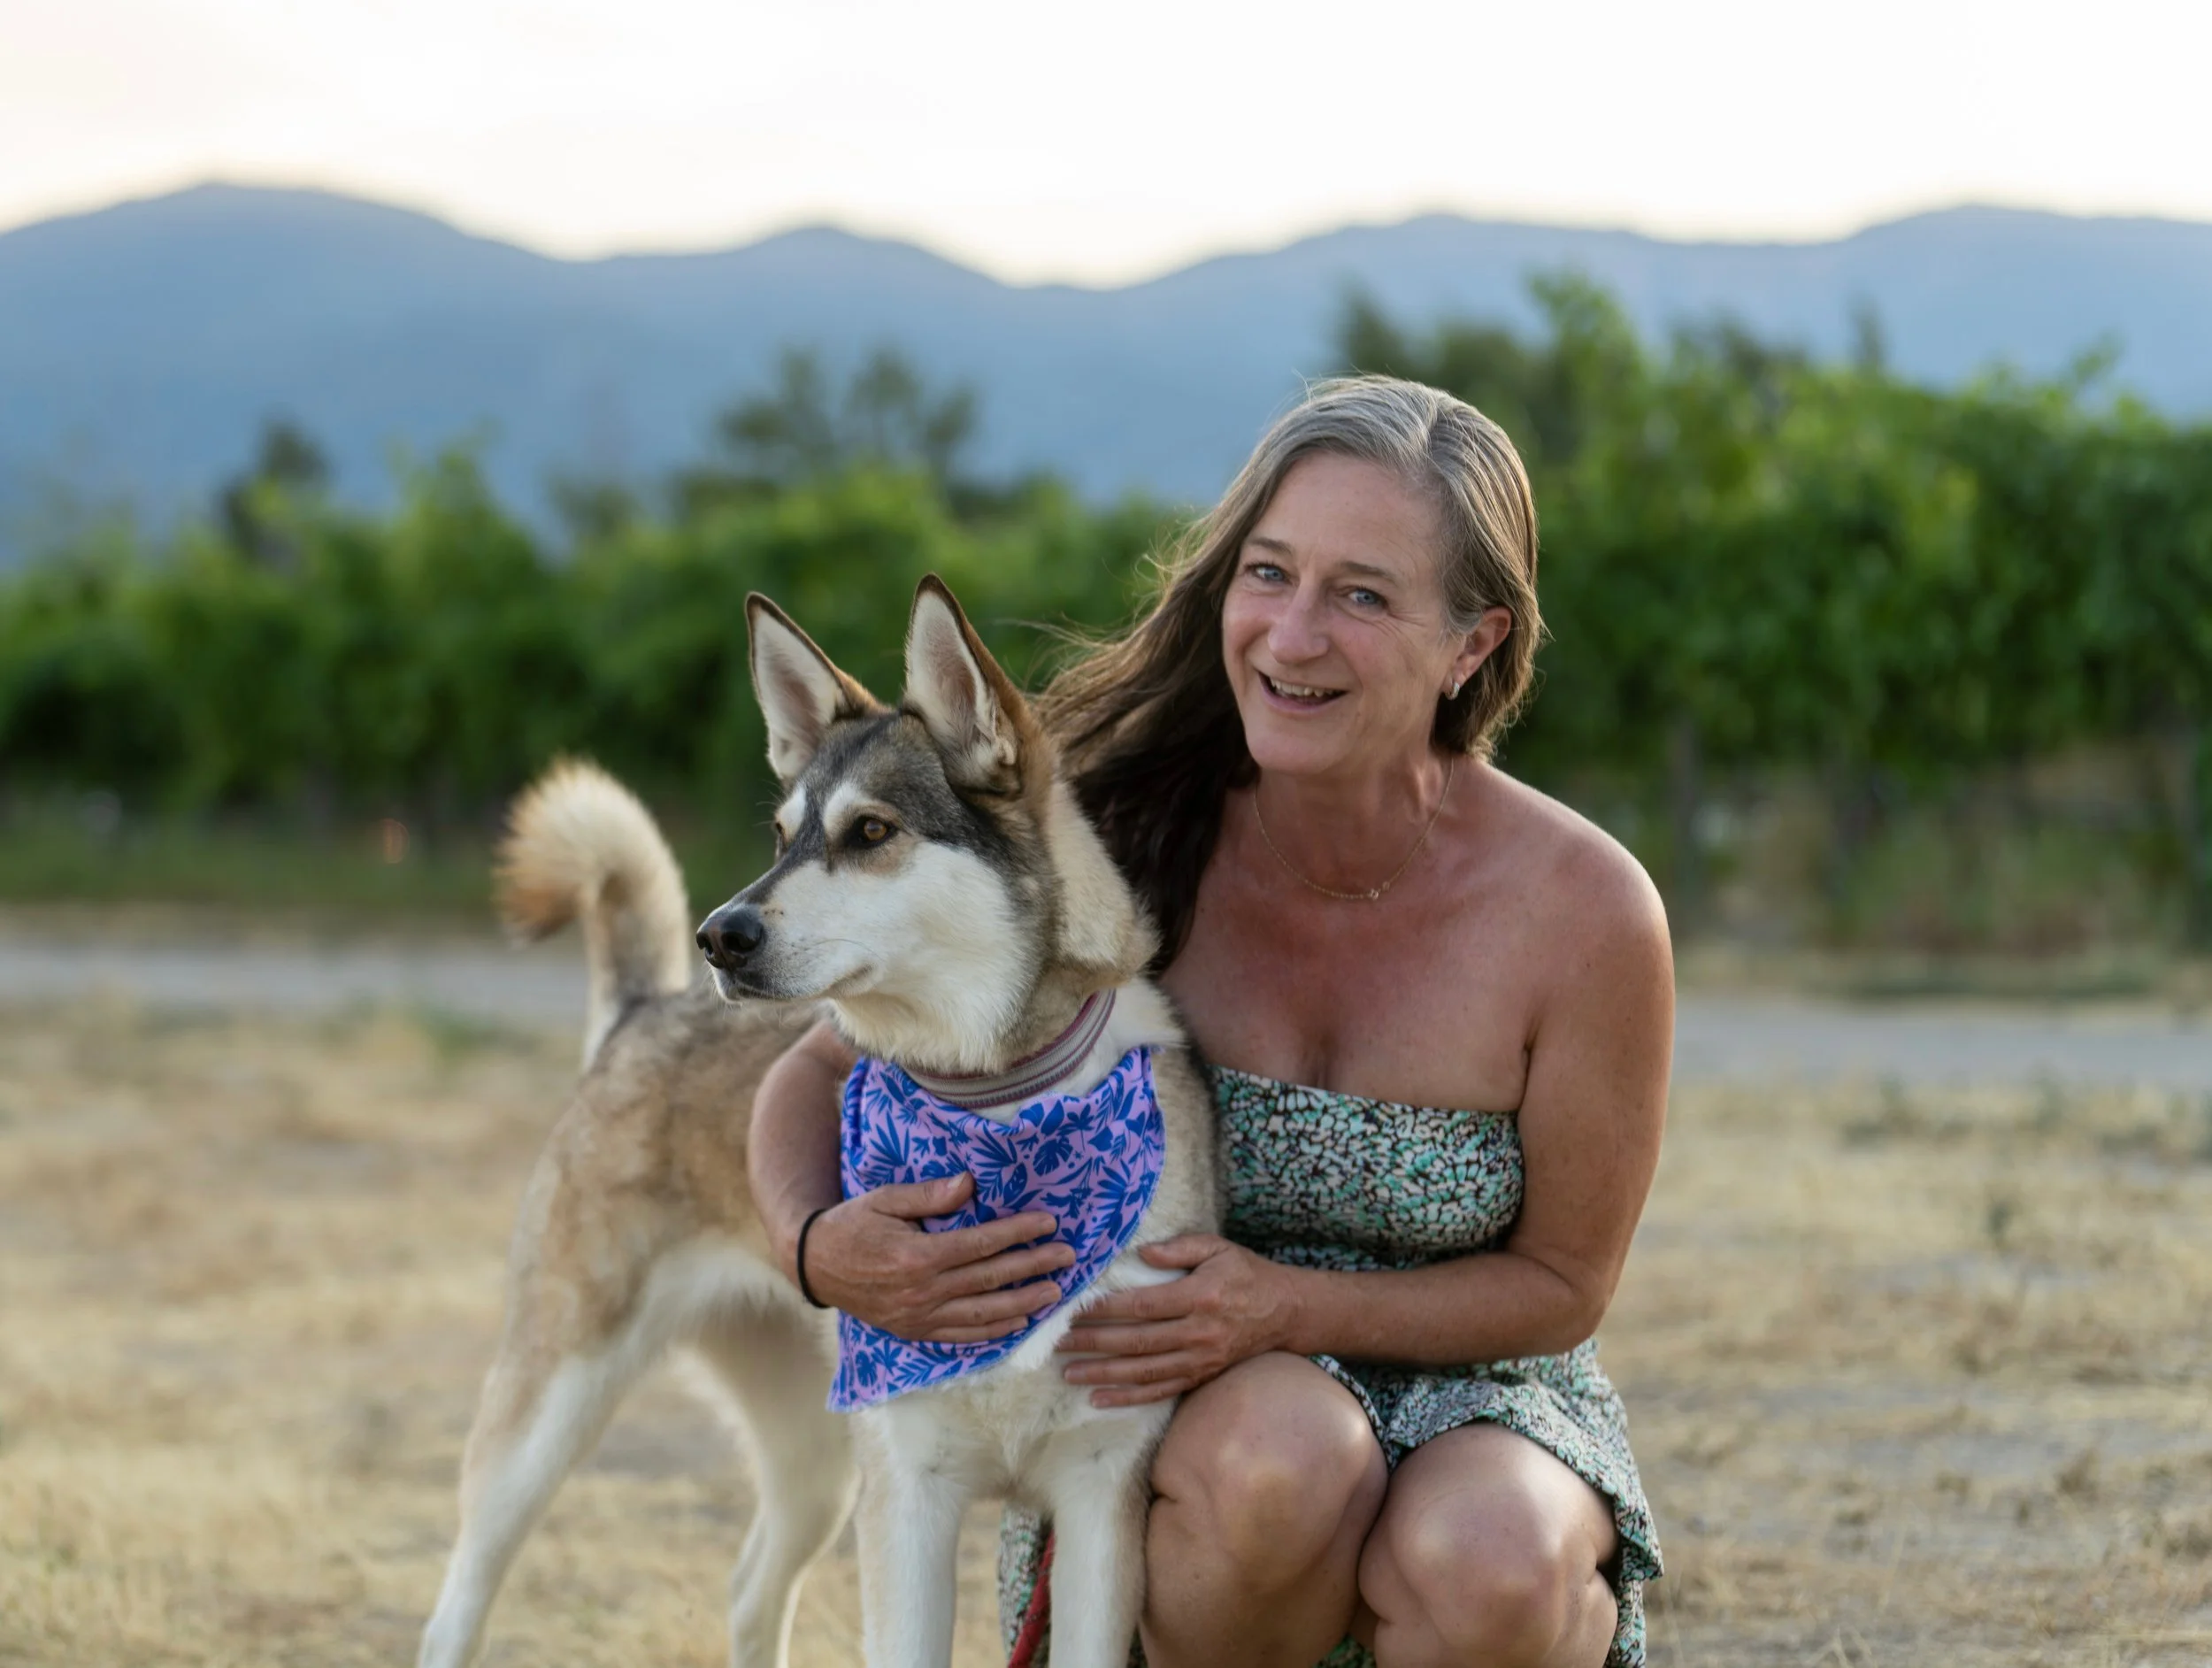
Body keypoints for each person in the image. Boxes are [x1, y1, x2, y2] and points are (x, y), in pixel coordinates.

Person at [749, 376, 1671, 1668]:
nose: (1291, 635)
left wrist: (1285, 1306)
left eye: (1362, 596)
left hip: (1484, 1386)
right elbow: (814, 1074)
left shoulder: (1587, 911)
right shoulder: (1112, 834)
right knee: (1279, 1466)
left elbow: (1565, 1286)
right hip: (1175, 1411)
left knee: (1496, 1563)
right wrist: (816, 1250)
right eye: (1269, 573)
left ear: (1472, 645)